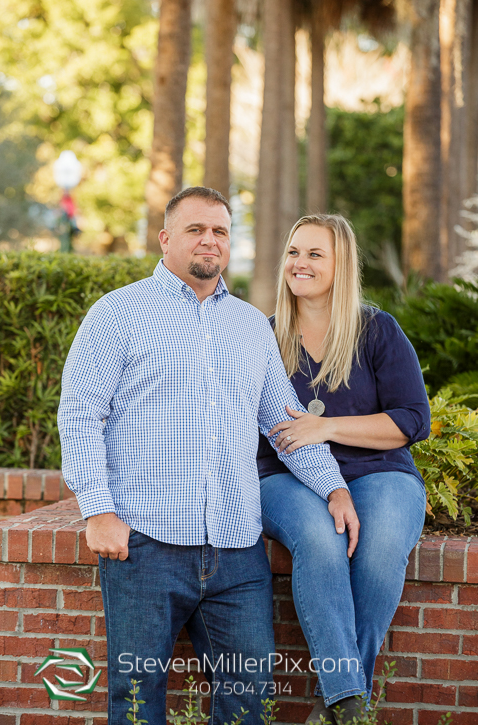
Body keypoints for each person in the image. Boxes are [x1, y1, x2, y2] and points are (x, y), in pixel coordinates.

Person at [57, 188, 358, 725]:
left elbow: (283, 421)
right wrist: (97, 511)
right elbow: (80, 416)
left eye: (220, 231)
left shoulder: (250, 326)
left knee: (251, 699)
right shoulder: (116, 314)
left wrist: (333, 487)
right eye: (196, 229)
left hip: (236, 551)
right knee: (136, 695)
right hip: (145, 545)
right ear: (166, 238)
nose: (210, 241)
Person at [257, 214, 430, 724]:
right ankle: (349, 700)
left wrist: (327, 428)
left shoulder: (377, 330)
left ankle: (339, 700)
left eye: (315, 254)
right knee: (319, 538)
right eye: (293, 252)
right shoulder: (263, 337)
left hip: (380, 470)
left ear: (342, 264)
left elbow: (411, 420)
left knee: (377, 550)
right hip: (285, 474)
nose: (299, 263)